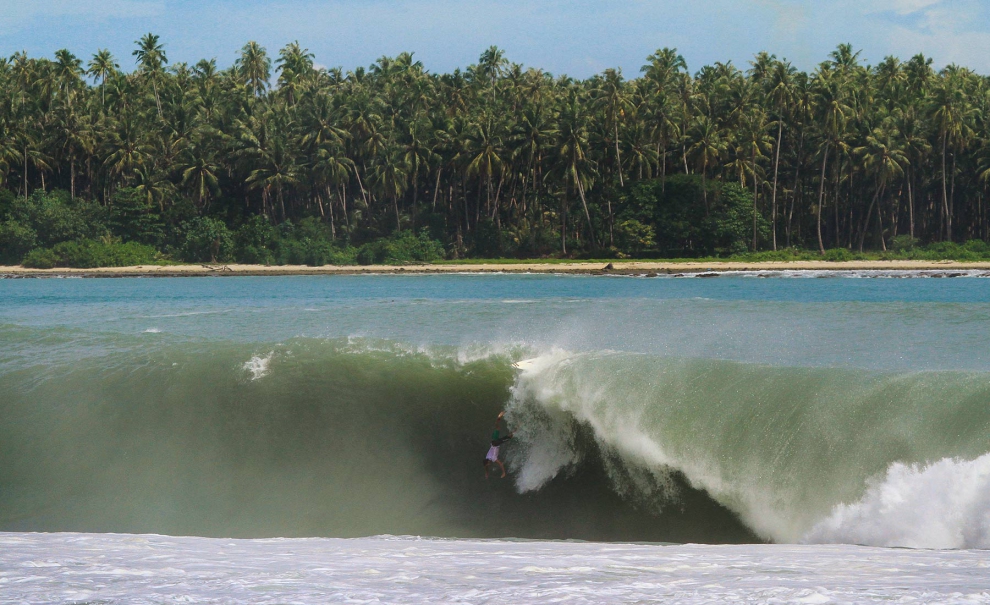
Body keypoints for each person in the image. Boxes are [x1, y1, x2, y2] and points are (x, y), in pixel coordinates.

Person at [484, 411, 513, 479]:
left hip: (496, 443)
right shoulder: (487, 457)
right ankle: (499, 417)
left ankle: (518, 427)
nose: (489, 464)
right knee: (497, 427)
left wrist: (503, 472)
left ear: (488, 462)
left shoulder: (493, 459)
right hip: (493, 441)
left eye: (489, 464)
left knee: (510, 436)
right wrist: (487, 472)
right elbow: (485, 466)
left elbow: (501, 464)